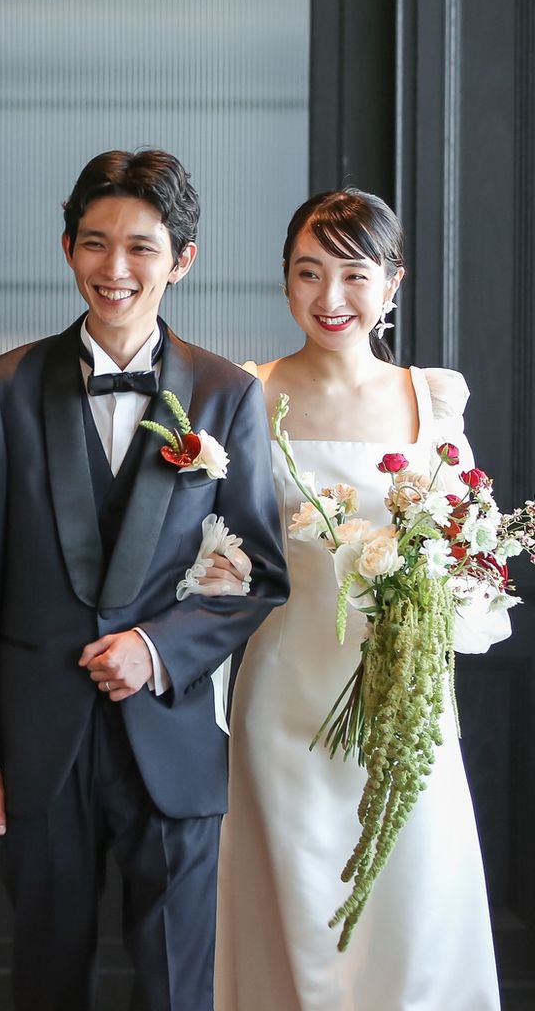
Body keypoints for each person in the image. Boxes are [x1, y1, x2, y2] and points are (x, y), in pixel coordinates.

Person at [0, 149, 289, 1011]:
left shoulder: (226, 395)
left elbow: (256, 572)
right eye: (95, 243)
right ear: (67, 249)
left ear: (182, 260)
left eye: (142, 247)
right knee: (47, 977)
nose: (116, 268)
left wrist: (156, 650)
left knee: (177, 986)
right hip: (38, 741)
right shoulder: (3, 389)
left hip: (173, 738)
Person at [213, 190, 503, 1009]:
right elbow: (216, 545)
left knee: (411, 908)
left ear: (393, 282)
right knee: (298, 910)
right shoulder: (246, 394)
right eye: (309, 273)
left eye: (354, 274)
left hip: (404, 701)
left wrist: (437, 602)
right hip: (284, 698)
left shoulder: (429, 398)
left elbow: (473, 550)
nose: (331, 297)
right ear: (284, 280)